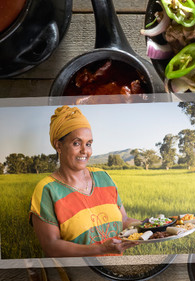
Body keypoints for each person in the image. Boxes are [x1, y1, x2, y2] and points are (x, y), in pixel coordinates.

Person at [30, 105, 141, 257]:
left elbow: (124, 220)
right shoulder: (47, 190)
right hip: (79, 275)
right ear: (59, 145)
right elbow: (51, 245)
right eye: (77, 143)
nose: (85, 151)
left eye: (88, 144)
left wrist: (154, 226)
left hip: (116, 270)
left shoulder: (103, 177)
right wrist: (102, 249)